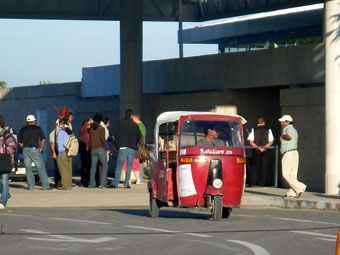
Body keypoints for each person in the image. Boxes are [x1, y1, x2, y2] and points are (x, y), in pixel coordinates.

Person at [18, 115, 51, 190]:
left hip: (25, 149)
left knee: (28, 168)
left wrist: (23, 146)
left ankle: (31, 186)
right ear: (34, 121)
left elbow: (19, 141)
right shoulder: (38, 128)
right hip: (35, 149)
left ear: (27, 121)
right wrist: (41, 148)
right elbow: (43, 139)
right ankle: (45, 185)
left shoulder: (23, 129)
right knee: (40, 167)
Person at [112, 109, 142, 189]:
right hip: (132, 148)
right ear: (131, 116)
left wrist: (117, 145)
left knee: (119, 166)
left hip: (122, 147)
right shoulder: (135, 125)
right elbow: (139, 136)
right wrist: (134, 143)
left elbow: (116, 136)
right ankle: (126, 183)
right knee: (129, 167)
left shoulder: (120, 124)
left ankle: (115, 183)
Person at [279, 115, 306, 198]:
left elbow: (289, 136)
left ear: (288, 122)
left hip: (288, 153)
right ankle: (292, 192)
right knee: (292, 175)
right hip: (294, 152)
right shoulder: (294, 129)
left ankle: (300, 187)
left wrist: (282, 136)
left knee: (286, 174)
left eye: (283, 122)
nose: (281, 123)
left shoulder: (288, 129)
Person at [247, 117, 274, 187]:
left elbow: (250, 141)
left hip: (256, 151)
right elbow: (271, 141)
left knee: (254, 167)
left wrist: (257, 147)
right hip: (265, 151)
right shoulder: (268, 129)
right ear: (263, 123)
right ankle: (262, 183)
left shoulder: (254, 129)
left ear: (257, 123)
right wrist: (264, 147)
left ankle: (253, 182)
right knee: (264, 167)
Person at [88, 114, 109, 188]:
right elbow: (103, 140)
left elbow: (89, 140)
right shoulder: (102, 129)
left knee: (93, 167)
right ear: (100, 121)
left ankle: (92, 184)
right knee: (104, 165)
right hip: (101, 149)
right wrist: (107, 148)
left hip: (93, 149)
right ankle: (103, 183)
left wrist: (88, 123)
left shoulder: (91, 129)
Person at [0, 116, 17, 209]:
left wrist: (3, 149)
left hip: (5, 159)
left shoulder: (6, 134)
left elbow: (13, 146)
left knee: (4, 181)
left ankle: (3, 202)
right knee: (1, 182)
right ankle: (5, 194)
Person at [56, 119, 73, 190]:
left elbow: (60, 144)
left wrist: (59, 153)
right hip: (69, 152)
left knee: (63, 170)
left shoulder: (61, 132)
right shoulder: (70, 131)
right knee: (69, 169)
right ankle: (69, 185)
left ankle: (65, 185)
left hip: (62, 152)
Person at [132, 114, 146, 184]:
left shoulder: (139, 126)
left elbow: (141, 136)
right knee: (140, 161)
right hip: (141, 145)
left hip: (139, 146)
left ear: (136, 119)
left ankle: (140, 177)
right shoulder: (142, 125)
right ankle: (140, 177)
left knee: (139, 160)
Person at [49, 119, 61, 188]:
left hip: (61, 149)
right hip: (57, 149)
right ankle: (58, 182)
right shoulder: (53, 133)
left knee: (62, 167)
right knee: (57, 167)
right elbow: (52, 143)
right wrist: (53, 152)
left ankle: (62, 181)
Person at [79, 119, 91, 187]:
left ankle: (86, 180)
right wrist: (87, 123)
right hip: (84, 149)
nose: (89, 126)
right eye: (88, 125)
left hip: (88, 149)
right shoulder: (83, 130)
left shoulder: (88, 131)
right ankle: (84, 180)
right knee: (85, 165)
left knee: (87, 166)